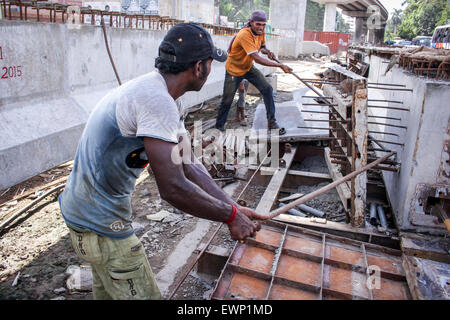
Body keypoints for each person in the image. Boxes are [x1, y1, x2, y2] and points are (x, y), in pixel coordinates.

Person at [58, 22, 267, 300]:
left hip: (84, 216)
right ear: (198, 68)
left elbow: (189, 164)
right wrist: (230, 217)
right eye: (209, 63)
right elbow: (173, 187)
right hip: (100, 226)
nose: (209, 69)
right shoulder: (155, 100)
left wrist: (233, 207)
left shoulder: (167, 98)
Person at [214, 10, 292, 133]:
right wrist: (280, 65)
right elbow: (257, 58)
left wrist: (268, 52)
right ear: (251, 23)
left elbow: (261, 47)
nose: (261, 27)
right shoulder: (244, 35)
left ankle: (272, 122)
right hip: (234, 70)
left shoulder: (260, 32)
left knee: (267, 89)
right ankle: (219, 128)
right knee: (227, 100)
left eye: (263, 24)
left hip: (247, 67)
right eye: (258, 24)